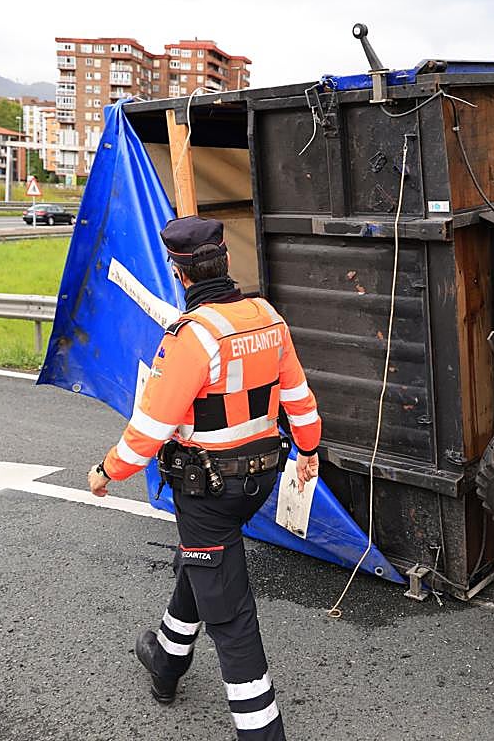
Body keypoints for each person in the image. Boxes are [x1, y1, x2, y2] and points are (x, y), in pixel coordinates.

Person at [87, 215, 321, 741]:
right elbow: (299, 399)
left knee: (231, 617)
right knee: (203, 560)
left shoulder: (191, 337)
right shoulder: (268, 318)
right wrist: (308, 450)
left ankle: (262, 733)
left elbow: (151, 428)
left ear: (179, 272)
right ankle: (165, 661)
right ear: (227, 260)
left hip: (207, 490)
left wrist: (107, 472)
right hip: (260, 479)